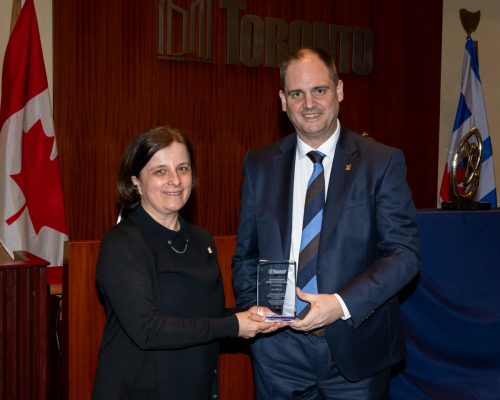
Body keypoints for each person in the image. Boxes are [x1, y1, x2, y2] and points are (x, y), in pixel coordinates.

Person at [232, 48, 421, 399]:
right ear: (282, 101)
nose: (309, 103)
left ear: (339, 90)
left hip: (355, 349)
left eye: (319, 90)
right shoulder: (259, 164)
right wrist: (255, 311)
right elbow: (246, 252)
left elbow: (404, 254)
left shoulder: (381, 162)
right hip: (278, 353)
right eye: (296, 94)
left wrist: (340, 304)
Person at [93, 126, 279, 400]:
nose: (175, 180)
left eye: (183, 168)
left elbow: (204, 317)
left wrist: (254, 315)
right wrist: (234, 325)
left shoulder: (201, 239)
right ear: (136, 182)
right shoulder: (122, 243)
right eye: (160, 171)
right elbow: (148, 329)